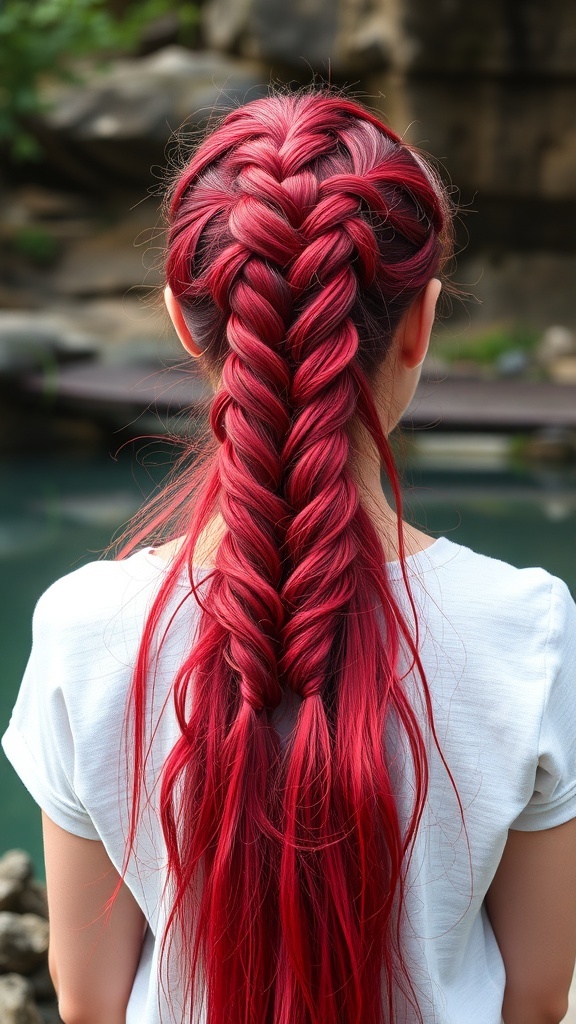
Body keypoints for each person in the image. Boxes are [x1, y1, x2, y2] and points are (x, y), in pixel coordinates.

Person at [2, 90, 576, 1024]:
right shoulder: (529, 627)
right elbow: (538, 996)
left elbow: (90, 1001)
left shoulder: (82, 625)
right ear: (422, 325)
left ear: (185, 323)